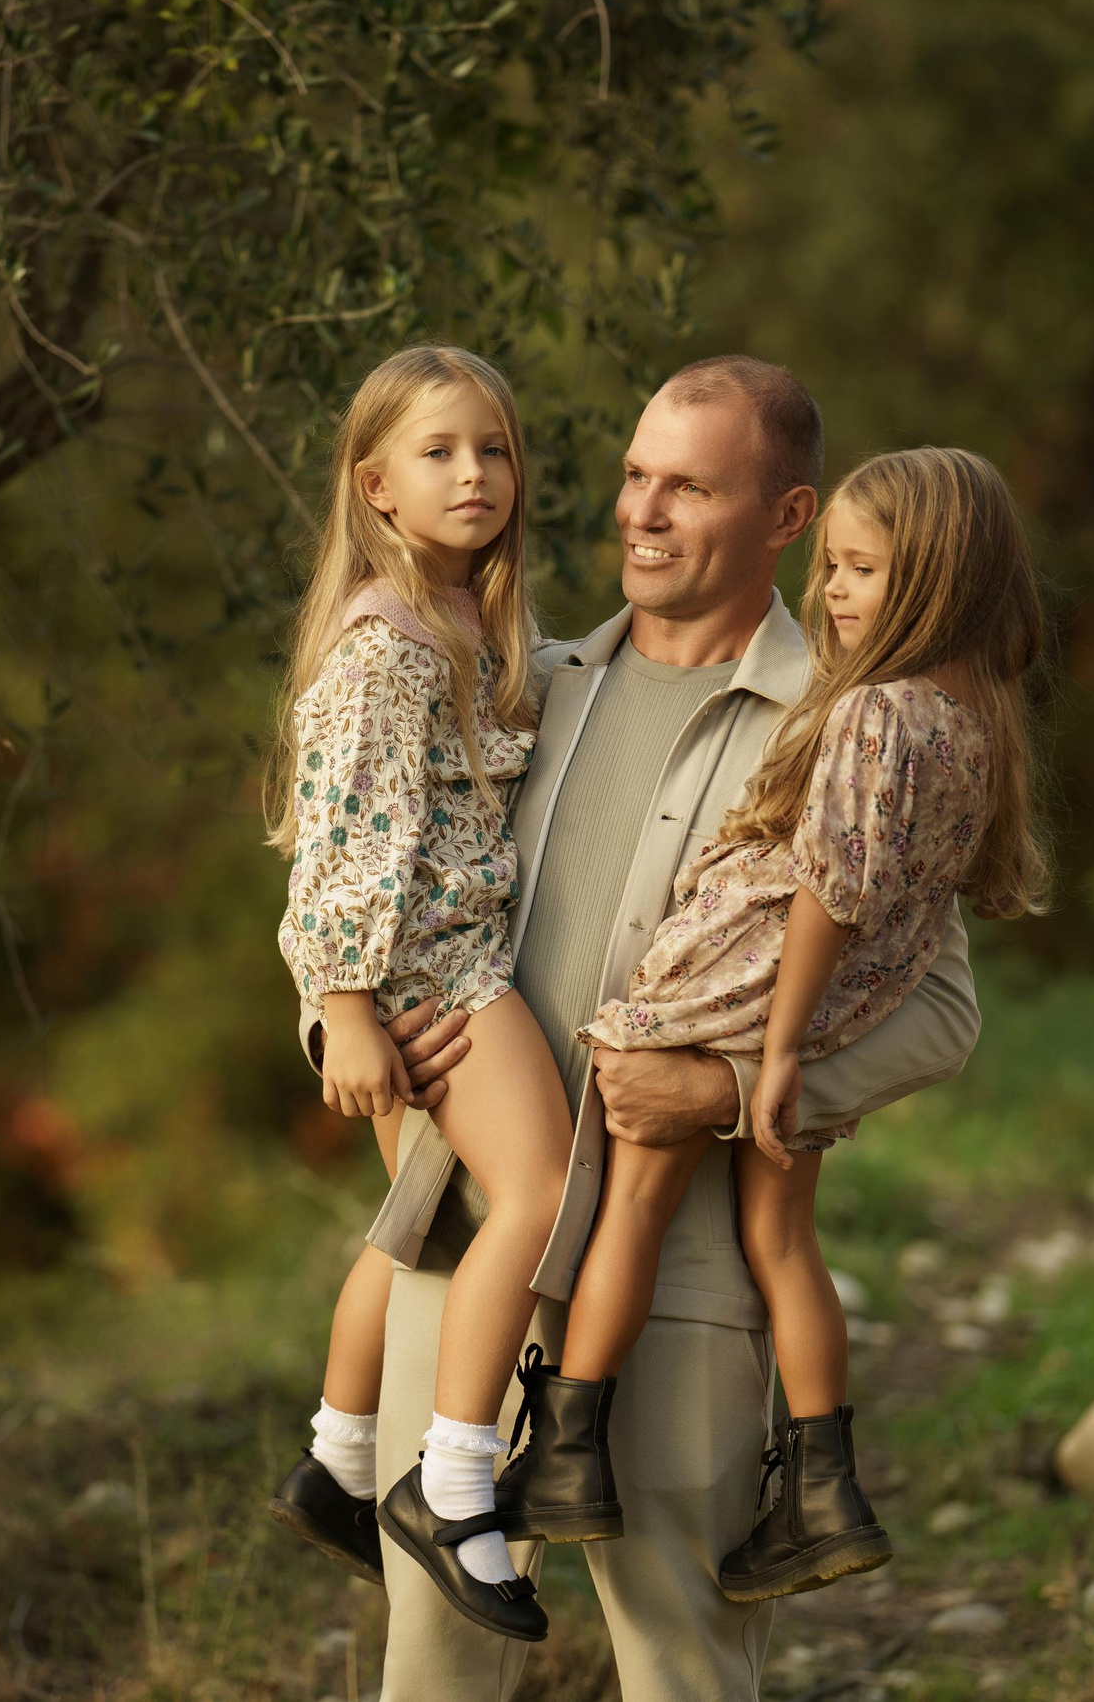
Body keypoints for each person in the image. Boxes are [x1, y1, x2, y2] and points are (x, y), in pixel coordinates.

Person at [302, 356, 985, 1699]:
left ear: (787, 517)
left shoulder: (848, 727)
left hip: (680, 1284)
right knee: (430, 1669)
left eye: (690, 488)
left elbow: (944, 1012)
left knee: (684, 1663)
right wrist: (341, 1038)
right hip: (467, 1257)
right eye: (633, 477)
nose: (644, 513)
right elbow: (354, 861)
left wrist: (725, 1092)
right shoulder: (518, 686)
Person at [496, 446, 1050, 1603]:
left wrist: (777, 1044)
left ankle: (565, 1454)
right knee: (784, 1244)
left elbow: (829, 890)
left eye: (861, 570)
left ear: (936, 579)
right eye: (832, 566)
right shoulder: (975, 721)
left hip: (738, 991)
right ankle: (821, 1489)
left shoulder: (870, 714)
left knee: (632, 1209)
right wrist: (805, 1042)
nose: (832, 591)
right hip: (845, 1006)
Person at [262, 344, 572, 1643]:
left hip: (429, 959)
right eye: (438, 452)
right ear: (375, 485)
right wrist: (345, 1008)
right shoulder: (385, 650)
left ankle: (337, 1460)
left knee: (420, 1227)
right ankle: (451, 1484)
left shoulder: (465, 620)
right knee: (543, 1193)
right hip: (429, 969)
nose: (474, 473)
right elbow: (339, 840)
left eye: (493, 449)